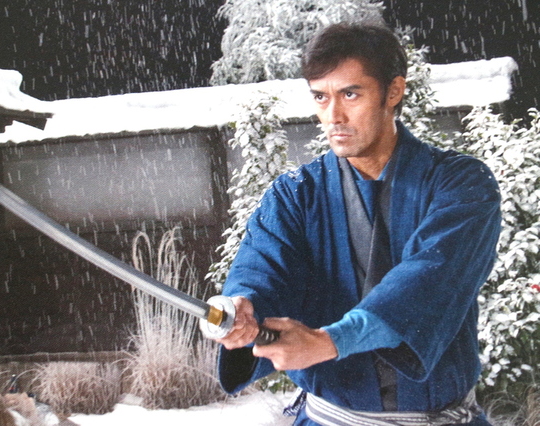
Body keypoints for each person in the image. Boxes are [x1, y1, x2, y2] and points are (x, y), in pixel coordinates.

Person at [214, 23, 501, 426]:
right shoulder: (295, 195)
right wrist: (243, 307)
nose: (333, 116)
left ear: (393, 91)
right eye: (320, 96)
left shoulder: (461, 184)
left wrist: (329, 341)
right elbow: (262, 269)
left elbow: (429, 281)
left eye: (350, 94)